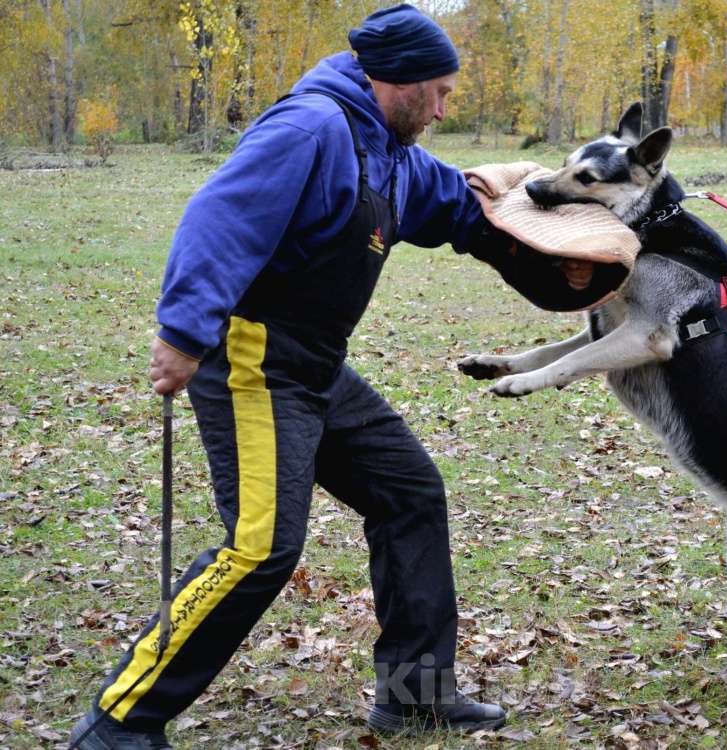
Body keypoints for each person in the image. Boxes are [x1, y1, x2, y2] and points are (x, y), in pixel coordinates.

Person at [70, 4, 596, 748]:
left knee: (409, 493)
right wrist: (183, 334)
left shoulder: (391, 153)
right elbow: (217, 219)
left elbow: (458, 211)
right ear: (399, 81)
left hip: (316, 368)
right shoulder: (312, 129)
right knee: (259, 548)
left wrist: (551, 255)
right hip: (253, 361)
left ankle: (415, 697)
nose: (445, 107)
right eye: (439, 91)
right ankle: (120, 720)